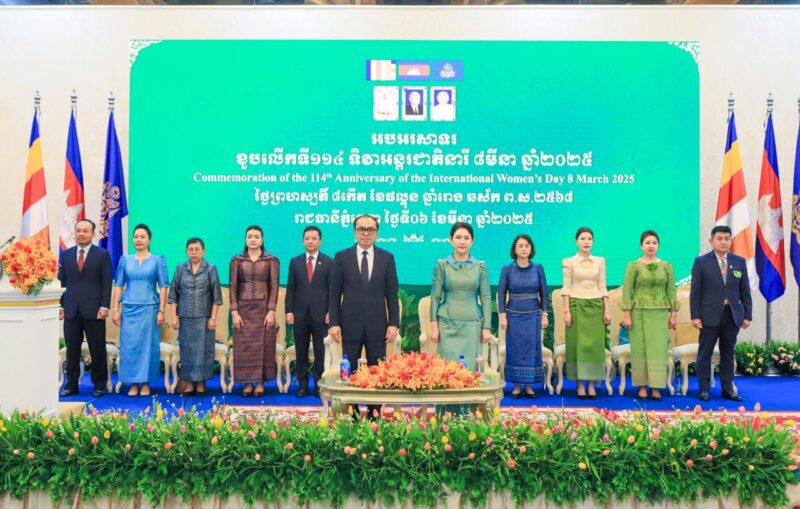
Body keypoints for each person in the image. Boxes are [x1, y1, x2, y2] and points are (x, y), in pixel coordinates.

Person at [329, 214, 400, 419]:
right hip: (349, 324)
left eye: (370, 229)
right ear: (355, 232)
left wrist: (393, 323)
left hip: (378, 325)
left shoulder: (387, 258)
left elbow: (392, 294)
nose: (366, 233)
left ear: (377, 233)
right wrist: (334, 323)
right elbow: (334, 293)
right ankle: (351, 414)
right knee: (349, 371)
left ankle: (374, 414)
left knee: (376, 371)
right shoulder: (342, 257)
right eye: (361, 229)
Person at [690, 225, 752, 402]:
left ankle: (728, 389)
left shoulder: (739, 261)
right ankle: (704, 389)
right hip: (708, 316)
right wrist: (695, 316)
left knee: (728, 353)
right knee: (705, 354)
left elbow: (744, 291)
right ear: (711, 241)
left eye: (727, 238)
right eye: (719, 239)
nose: (723, 242)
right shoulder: (701, 262)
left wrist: (747, 315)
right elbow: (696, 292)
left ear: (731, 241)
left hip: (732, 316)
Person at [620, 230, 678, 401]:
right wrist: (626, 314)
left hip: (660, 312)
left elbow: (671, 291)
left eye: (654, 242)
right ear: (641, 246)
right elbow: (627, 290)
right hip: (638, 311)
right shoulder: (633, 266)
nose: (651, 246)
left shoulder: (666, 266)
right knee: (640, 348)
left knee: (658, 349)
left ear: (658, 245)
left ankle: (656, 386)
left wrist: (673, 314)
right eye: (647, 243)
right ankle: (642, 386)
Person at [112, 224, 169, 397]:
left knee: (148, 347)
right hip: (129, 309)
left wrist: (161, 311)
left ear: (149, 239)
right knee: (130, 347)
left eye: (142, 236)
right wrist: (116, 309)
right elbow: (119, 285)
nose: (139, 240)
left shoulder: (158, 260)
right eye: (136, 236)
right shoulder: (125, 260)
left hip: (150, 309)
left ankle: (145, 382)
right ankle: (133, 382)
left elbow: (164, 286)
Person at [58, 219, 113, 398]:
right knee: (72, 349)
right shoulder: (66, 255)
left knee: (97, 349)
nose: (81, 234)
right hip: (71, 309)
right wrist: (60, 305)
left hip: (95, 310)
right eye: (78, 230)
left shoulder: (102, 255)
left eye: (85, 231)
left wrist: (104, 306)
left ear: (93, 234)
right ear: (75, 232)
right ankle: (71, 385)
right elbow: (61, 282)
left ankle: (99, 385)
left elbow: (107, 283)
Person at [430, 222, 492, 373]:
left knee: (470, 372)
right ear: (450, 239)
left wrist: (486, 327)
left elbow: (486, 297)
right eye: (458, 237)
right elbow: (435, 297)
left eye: (466, 238)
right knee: (446, 371)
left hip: (472, 324)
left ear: (472, 241)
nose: (462, 241)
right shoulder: (442, 265)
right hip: (447, 324)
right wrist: (434, 326)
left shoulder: (480, 266)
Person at [229, 225, 280, 397]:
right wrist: (234, 312)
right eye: (249, 236)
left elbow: (274, 287)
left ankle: (260, 383)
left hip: (264, 309)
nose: (253, 239)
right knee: (244, 347)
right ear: (245, 239)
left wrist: (271, 311)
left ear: (262, 239)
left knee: (263, 346)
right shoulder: (237, 260)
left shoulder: (271, 260)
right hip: (242, 310)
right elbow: (233, 287)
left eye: (256, 236)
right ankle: (247, 383)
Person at [168, 237, 223, 395]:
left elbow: (217, 296)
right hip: (185, 318)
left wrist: (213, 318)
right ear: (186, 252)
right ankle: (190, 383)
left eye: (197, 249)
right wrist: (174, 317)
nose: (194, 252)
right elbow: (173, 294)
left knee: (204, 352)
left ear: (203, 251)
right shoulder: (181, 268)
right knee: (187, 352)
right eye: (191, 249)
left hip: (204, 319)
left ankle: (201, 383)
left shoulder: (210, 268)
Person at [561, 226, 610, 399]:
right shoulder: (569, 261)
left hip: (596, 305)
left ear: (593, 242)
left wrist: (607, 310)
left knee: (594, 347)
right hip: (576, 304)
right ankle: (580, 384)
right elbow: (566, 288)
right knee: (577, 345)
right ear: (576, 241)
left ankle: (592, 384)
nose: (586, 242)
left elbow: (602, 286)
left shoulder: (600, 261)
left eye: (589, 239)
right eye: (582, 238)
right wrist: (566, 311)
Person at [498, 234, 549, 399]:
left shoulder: (538, 268)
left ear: (531, 249)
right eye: (520, 246)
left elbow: (544, 293)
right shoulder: (507, 269)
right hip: (513, 317)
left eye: (527, 246)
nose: (524, 249)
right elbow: (501, 293)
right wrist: (503, 316)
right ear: (514, 249)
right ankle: (516, 386)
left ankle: (528, 386)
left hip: (533, 316)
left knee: (532, 350)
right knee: (515, 351)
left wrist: (545, 314)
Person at [285, 226, 332, 398]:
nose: (310, 241)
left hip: (321, 315)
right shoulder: (295, 262)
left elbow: (333, 290)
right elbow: (291, 288)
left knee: (321, 352)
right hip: (300, 314)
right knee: (301, 351)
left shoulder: (329, 262)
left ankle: (319, 386)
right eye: (307, 238)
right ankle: (302, 386)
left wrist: (331, 311)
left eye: (314, 238)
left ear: (320, 241)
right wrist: (289, 311)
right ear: (303, 241)